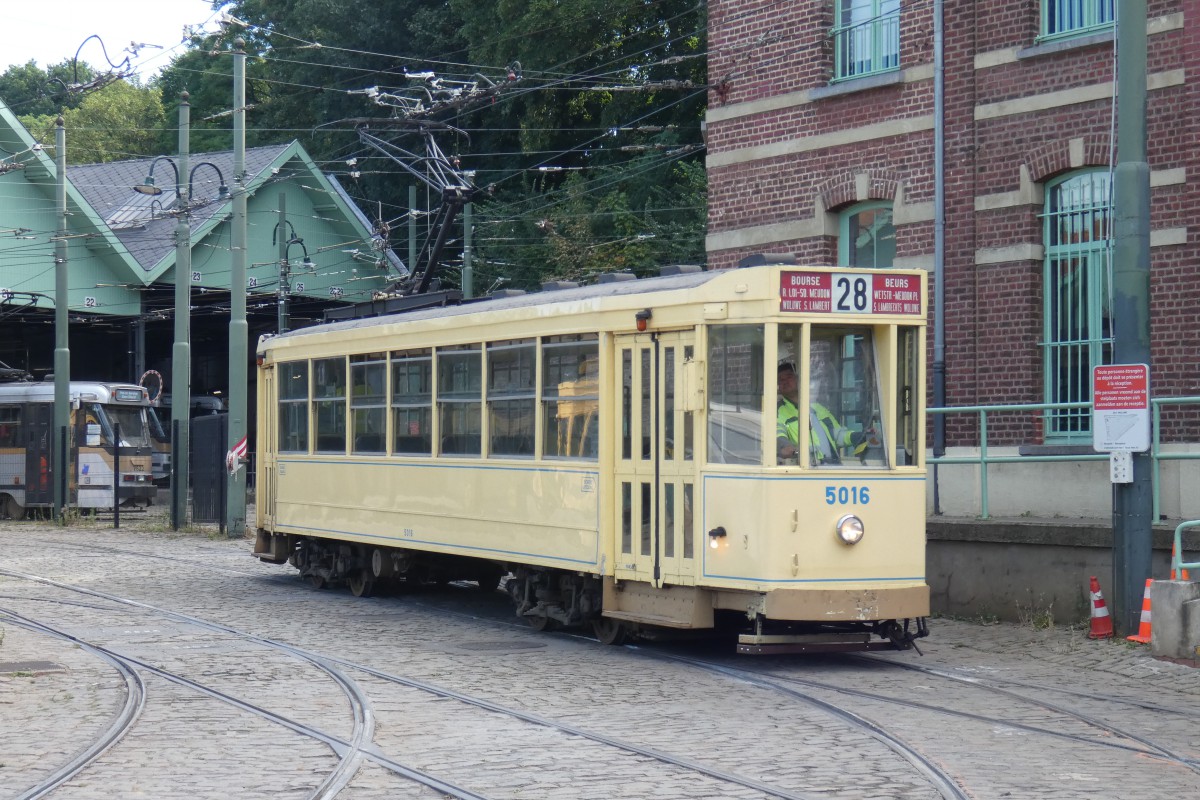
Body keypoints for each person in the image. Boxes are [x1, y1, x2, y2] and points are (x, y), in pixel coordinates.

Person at [776, 361, 869, 464]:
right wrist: (787, 447)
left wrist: (857, 436)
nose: (785, 381)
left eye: (789, 377)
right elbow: (778, 435)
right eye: (780, 379)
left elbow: (836, 434)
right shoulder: (777, 412)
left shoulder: (818, 408)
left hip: (832, 467)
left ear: (799, 379)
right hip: (807, 469)